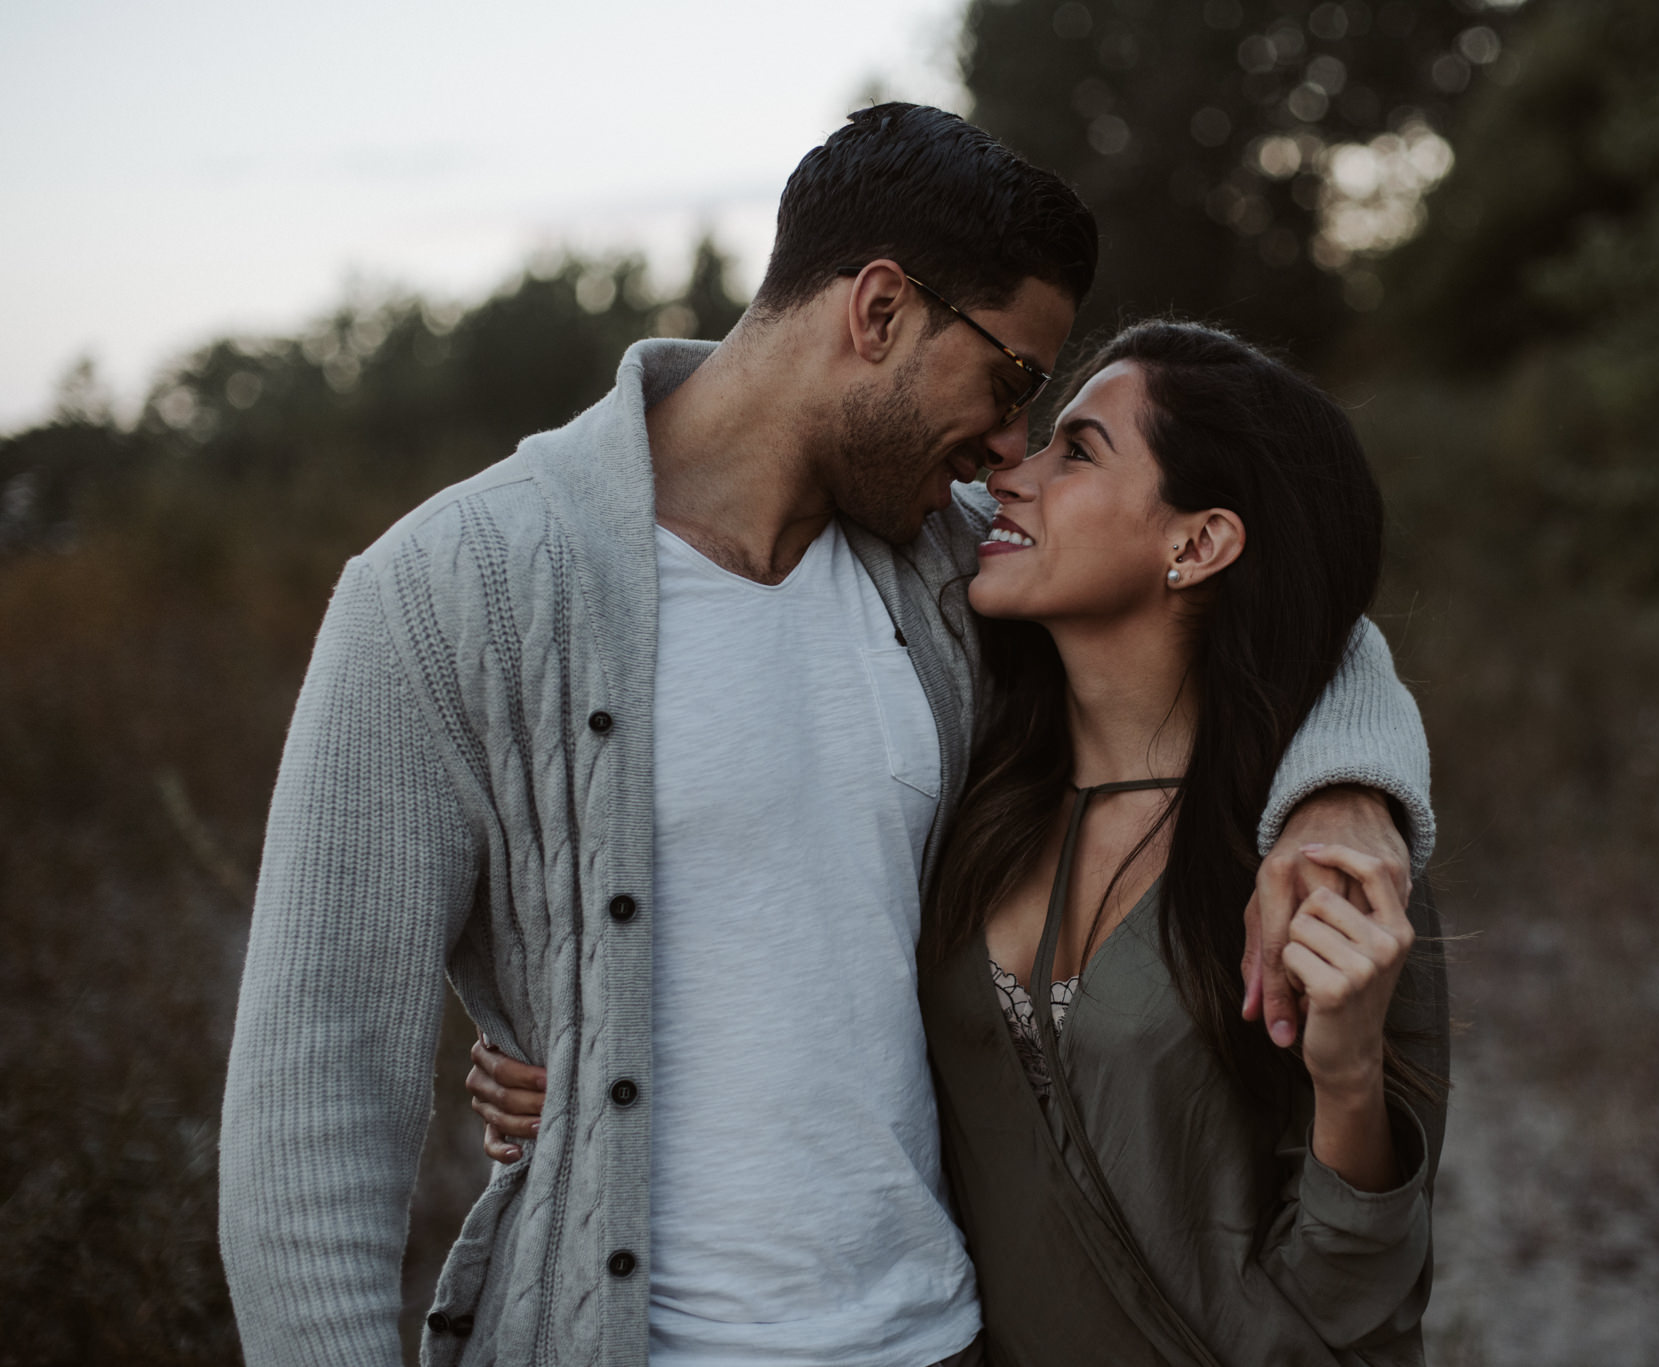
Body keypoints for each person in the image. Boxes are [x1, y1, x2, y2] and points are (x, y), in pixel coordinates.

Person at [220, 105, 1434, 1367]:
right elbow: (313, 1110)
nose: (1010, 446)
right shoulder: (451, 593)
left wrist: (1343, 796)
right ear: (878, 313)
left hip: (937, 1340)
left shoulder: (949, 565)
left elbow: (1280, 611)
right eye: (1012, 379)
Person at [470, 321, 1446, 1366]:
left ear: (1197, 543)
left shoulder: (1315, 863)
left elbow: (1360, 1305)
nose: (1009, 475)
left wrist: (1347, 1080)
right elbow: (802, 997)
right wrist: (590, 1050)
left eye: (1077, 450)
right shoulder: (971, 785)